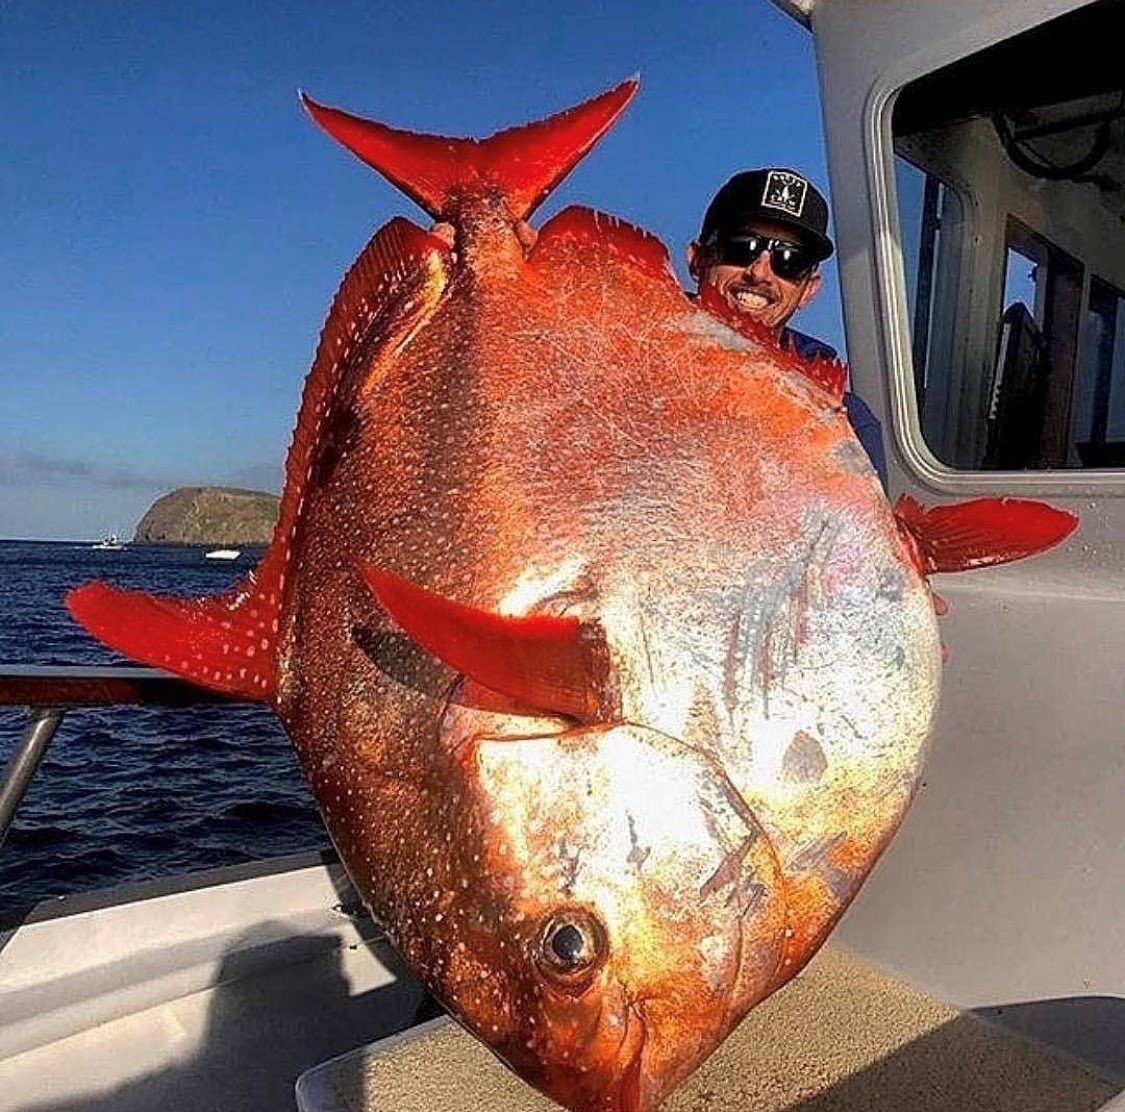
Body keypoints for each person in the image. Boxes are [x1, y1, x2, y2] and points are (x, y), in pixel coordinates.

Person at [687, 168, 888, 488]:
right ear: (697, 260)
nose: (760, 272)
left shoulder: (847, 422)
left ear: (809, 289)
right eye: (742, 246)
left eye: (790, 259)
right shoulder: (623, 362)